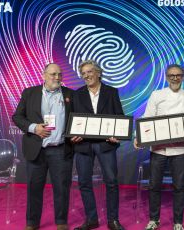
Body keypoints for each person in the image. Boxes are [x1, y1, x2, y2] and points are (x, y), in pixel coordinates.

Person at [133, 64, 184, 230]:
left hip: (180, 149)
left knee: (179, 186)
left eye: (178, 75)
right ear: (166, 77)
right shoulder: (156, 95)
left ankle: (178, 223)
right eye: (171, 75)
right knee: (154, 185)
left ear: (183, 77)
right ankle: (154, 220)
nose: (175, 78)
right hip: (158, 148)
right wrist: (138, 136)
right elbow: (147, 118)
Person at [12, 63, 73, 230]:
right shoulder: (29, 92)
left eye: (60, 74)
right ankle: (32, 223)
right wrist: (34, 128)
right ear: (43, 75)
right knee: (34, 189)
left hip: (60, 149)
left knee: (62, 188)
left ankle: (61, 222)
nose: (57, 77)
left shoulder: (70, 94)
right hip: (36, 149)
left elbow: (78, 119)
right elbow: (17, 117)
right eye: (53, 74)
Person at [71, 60, 124, 230]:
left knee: (111, 182)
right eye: (83, 73)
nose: (86, 75)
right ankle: (91, 219)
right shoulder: (77, 94)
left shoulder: (111, 92)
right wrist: (72, 135)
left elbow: (120, 117)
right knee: (84, 183)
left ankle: (113, 220)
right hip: (83, 146)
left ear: (98, 73)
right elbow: (72, 119)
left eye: (89, 71)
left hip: (105, 144)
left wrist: (118, 135)